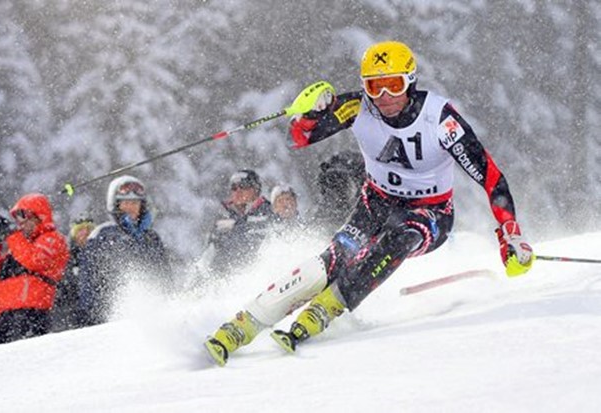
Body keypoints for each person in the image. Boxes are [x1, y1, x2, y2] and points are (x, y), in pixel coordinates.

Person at [204, 41, 534, 366]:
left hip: (430, 213)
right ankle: (244, 324)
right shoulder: (358, 106)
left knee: (399, 238)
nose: (385, 97)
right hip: (375, 204)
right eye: (375, 87)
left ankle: (326, 308)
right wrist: (311, 113)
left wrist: (510, 231)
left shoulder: (440, 118)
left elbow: (489, 176)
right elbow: (298, 138)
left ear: (410, 82)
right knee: (332, 260)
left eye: (393, 85)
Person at [77, 175, 172, 327]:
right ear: (115, 205)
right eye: (125, 203)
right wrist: (93, 319)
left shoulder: (151, 238)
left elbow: (165, 276)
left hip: (151, 318)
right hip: (109, 320)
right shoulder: (103, 235)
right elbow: (88, 283)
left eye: (135, 203)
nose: (131, 207)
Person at [0, 194, 70, 345]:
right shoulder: (19, 246)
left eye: (24, 217)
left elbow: (35, 261)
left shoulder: (52, 239)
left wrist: (11, 235)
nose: (20, 224)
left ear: (38, 216)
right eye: (17, 220)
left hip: (32, 313)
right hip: (4, 317)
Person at [202, 169, 274, 276]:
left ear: (256, 189)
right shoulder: (222, 216)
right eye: (234, 188)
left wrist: (238, 226)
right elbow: (208, 256)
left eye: (244, 186)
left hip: (261, 271)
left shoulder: (268, 211)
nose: (238, 191)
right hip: (227, 278)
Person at [52, 216, 96, 332]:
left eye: (89, 229)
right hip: (72, 315)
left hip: (96, 311)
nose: (85, 233)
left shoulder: (100, 255)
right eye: (80, 230)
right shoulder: (67, 258)